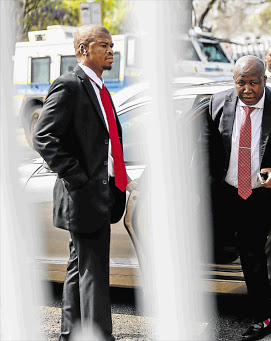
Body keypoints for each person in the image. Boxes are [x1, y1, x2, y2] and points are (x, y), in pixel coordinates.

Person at [205, 55, 271, 340]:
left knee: (252, 255)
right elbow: (206, 145)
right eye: (242, 83)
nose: (248, 89)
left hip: (259, 193)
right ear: (234, 81)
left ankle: (262, 319)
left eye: (254, 82)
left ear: (264, 80)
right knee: (211, 243)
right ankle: (224, 299)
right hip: (225, 191)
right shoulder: (218, 103)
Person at [33, 25, 128, 341]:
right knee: (94, 273)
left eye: (112, 45)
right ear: (83, 49)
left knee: (79, 268)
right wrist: (79, 178)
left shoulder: (102, 89)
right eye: (104, 45)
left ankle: (70, 333)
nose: (111, 50)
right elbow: (44, 136)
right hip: (85, 195)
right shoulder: (70, 85)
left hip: (103, 194)